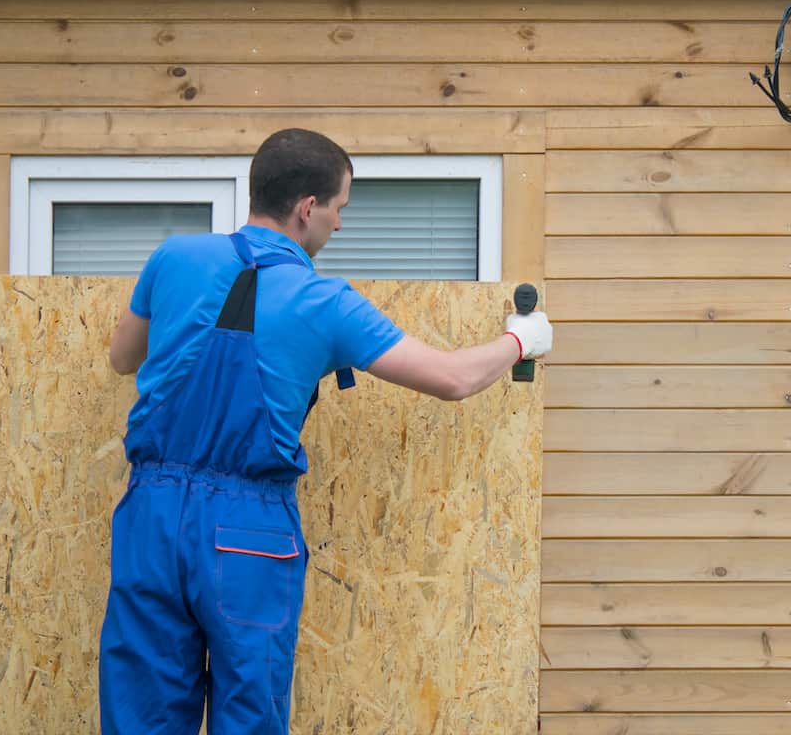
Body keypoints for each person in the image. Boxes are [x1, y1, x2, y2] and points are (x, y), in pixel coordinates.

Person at [97, 128, 552, 734]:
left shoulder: (173, 258)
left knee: (141, 716)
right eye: (340, 209)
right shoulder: (326, 302)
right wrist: (521, 338)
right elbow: (451, 379)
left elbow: (123, 358)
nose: (339, 224)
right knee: (249, 714)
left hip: (150, 517)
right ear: (308, 207)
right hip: (246, 529)